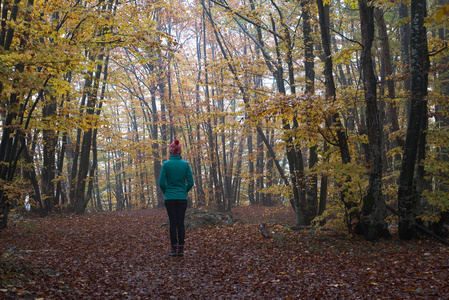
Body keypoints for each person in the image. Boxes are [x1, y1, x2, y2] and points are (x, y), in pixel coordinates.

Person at [159, 139, 194, 256]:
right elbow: (190, 182)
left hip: (170, 198)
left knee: (172, 223)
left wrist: (166, 192)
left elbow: (161, 183)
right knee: (181, 223)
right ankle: (181, 249)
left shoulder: (166, 164)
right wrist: (184, 191)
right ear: (180, 152)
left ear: (170, 151)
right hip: (182, 198)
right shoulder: (185, 164)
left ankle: (173, 249)